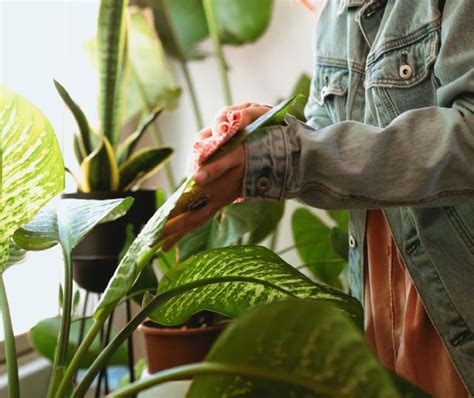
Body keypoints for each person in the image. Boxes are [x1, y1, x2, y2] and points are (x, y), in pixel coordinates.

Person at [159, 0, 474, 396]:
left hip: (454, 304)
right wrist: (268, 134)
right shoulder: (334, 16)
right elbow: (333, 138)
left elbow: (467, 140)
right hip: (379, 305)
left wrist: (290, 155)